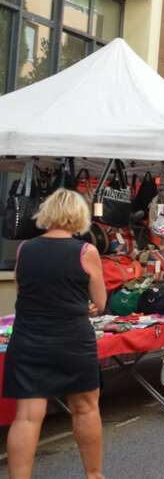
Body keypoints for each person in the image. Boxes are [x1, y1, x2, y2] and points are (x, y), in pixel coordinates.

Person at [5, 189, 107, 479]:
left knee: (26, 416)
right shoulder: (87, 252)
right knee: (86, 409)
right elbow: (100, 303)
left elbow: (22, 291)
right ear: (79, 216)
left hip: (29, 338)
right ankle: (94, 475)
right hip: (72, 339)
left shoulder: (25, 248)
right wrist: (85, 305)